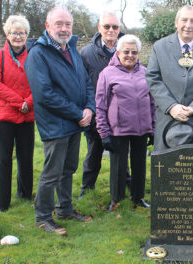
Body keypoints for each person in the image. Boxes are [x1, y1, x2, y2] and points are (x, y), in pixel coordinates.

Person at [25, 7, 95, 235]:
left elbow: (86, 82)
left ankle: (64, 209)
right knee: (52, 172)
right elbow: (44, 94)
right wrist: (78, 113)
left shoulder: (72, 50)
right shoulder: (38, 54)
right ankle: (43, 217)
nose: (64, 29)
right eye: (59, 24)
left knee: (68, 169)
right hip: (55, 125)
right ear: (47, 26)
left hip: (75, 122)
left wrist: (89, 108)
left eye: (68, 24)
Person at [146, 5, 193, 150]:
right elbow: (153, 77)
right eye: (184, 20)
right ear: (176, 22)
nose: (188, 25)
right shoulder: (160, 47)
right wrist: (171, 106)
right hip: (168, 117)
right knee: (167, 169)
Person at [95, 34, 155, 211]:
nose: (130, 55)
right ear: (118, 52)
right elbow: (100, 104)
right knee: (118, 167)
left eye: (134, 52)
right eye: (126, 51)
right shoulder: (107, 73)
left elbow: (152, 102)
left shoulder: (145, 72)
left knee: (139, 166)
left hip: (141, 129)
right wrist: (103, 132)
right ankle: (116, 199)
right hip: (117, 130)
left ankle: (138, 197)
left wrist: (152, 128)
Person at [0, 15, 34, 212]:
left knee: (26, 158)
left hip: (27, 116)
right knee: (3, 160)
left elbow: (41, 81)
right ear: (7, 34)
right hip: (4, 116)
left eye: (22, 33)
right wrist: (19, 102)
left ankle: (24, 195)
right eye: (14, 33)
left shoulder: (33, 54)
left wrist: (29, 103)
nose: (18, 37)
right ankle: (3, 203)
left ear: (27, 35)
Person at [78, 12, 125, 200]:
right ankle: (87, 188)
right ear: (99, 28)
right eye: (107, 27)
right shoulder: (87, 53)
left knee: (122, 152)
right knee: (94, 153)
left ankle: (126, 184)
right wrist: (89, 108)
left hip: (121, 114)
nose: (111, 30)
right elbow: (82, 84)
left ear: (119, 29)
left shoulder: (126, 49)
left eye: (114, 27)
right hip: (97, 113)